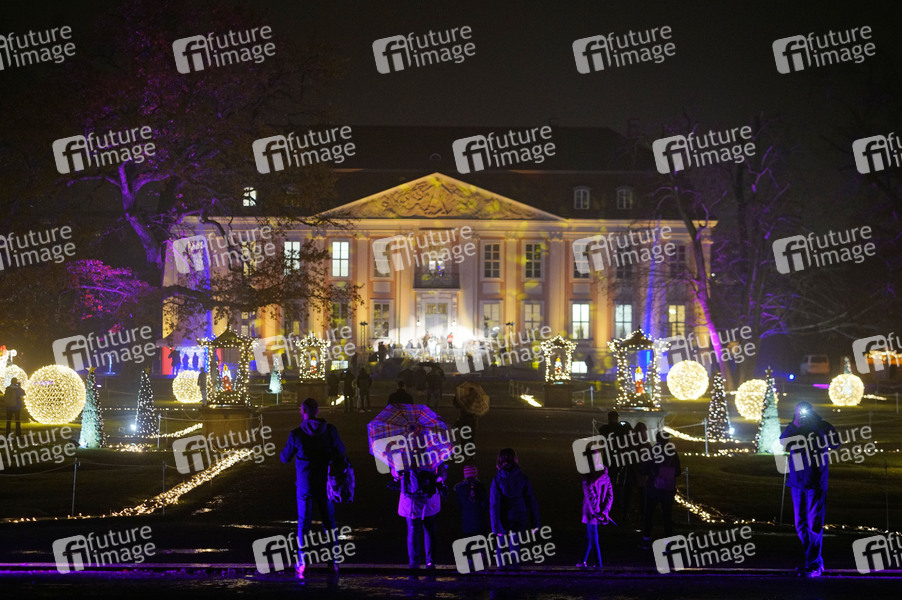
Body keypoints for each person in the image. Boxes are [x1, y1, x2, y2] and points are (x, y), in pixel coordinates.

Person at [280, 398, 347, 579]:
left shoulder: (296, 434)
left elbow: (284, 458)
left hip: (305, 484)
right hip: (326, 483)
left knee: (304, 522)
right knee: (329, 521)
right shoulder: (330, 430)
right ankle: (333, 561)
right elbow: (341, 451)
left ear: (302, 411)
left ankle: (303, 561)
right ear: (317, 411)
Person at [780, 402, 839, 578]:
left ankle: (813, 564)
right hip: (797, 482)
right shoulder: (794, 428)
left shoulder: (823, 426)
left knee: (814, 524)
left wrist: (818, 427)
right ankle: (813, 560)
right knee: (800, 524)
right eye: (799, 412)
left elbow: (835, 443)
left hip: (815, 481)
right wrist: (795, 424)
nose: (803, 414)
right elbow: (782, 442)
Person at [489, 448, 540, 569]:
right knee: (515, 543)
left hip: (503, 516)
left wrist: (495, 526)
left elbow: (494, 504)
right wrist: (535, 522)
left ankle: (501, 570)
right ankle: (514, 568)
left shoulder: (497, 479)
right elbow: (531, 500)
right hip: (519, 514)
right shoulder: (522, 477)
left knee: (501, 544)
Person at [397, 462, 448, 570]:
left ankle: (414, 563)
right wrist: (438, 479)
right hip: (429, 498)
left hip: (410, 499)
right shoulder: (433, 455)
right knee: (430, 530)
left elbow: (396, 472)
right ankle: (430, 562)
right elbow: (442, 474)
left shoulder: (403, 456)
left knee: (413, 530)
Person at [640, 432, 680, 549]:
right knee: (667, 515)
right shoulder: (672, 452)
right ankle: (668, 542)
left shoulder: (652, 451)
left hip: (653, 487)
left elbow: (644, 469)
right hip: (668, 488)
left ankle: (646, 539)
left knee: (649, 514)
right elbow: (678, 471)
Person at [598, 410, 633, 522]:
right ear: (617, 418)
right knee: (619, 482)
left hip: (608, 458)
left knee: (607, 481)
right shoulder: (622, 429)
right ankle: (618, 503)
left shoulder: (604, 429)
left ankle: (606, 503)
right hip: (619, 458)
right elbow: (630, 433)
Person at [578, 463, 613, 568]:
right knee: (590, 535)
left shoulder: (587, 476)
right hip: (596, 511)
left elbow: (590, 495)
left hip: (590, 511)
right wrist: (604, 511)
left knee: (592, 535)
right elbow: (610, 495)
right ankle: (582, 561)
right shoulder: (605, 475)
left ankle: (598, 564)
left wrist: (598, 512)